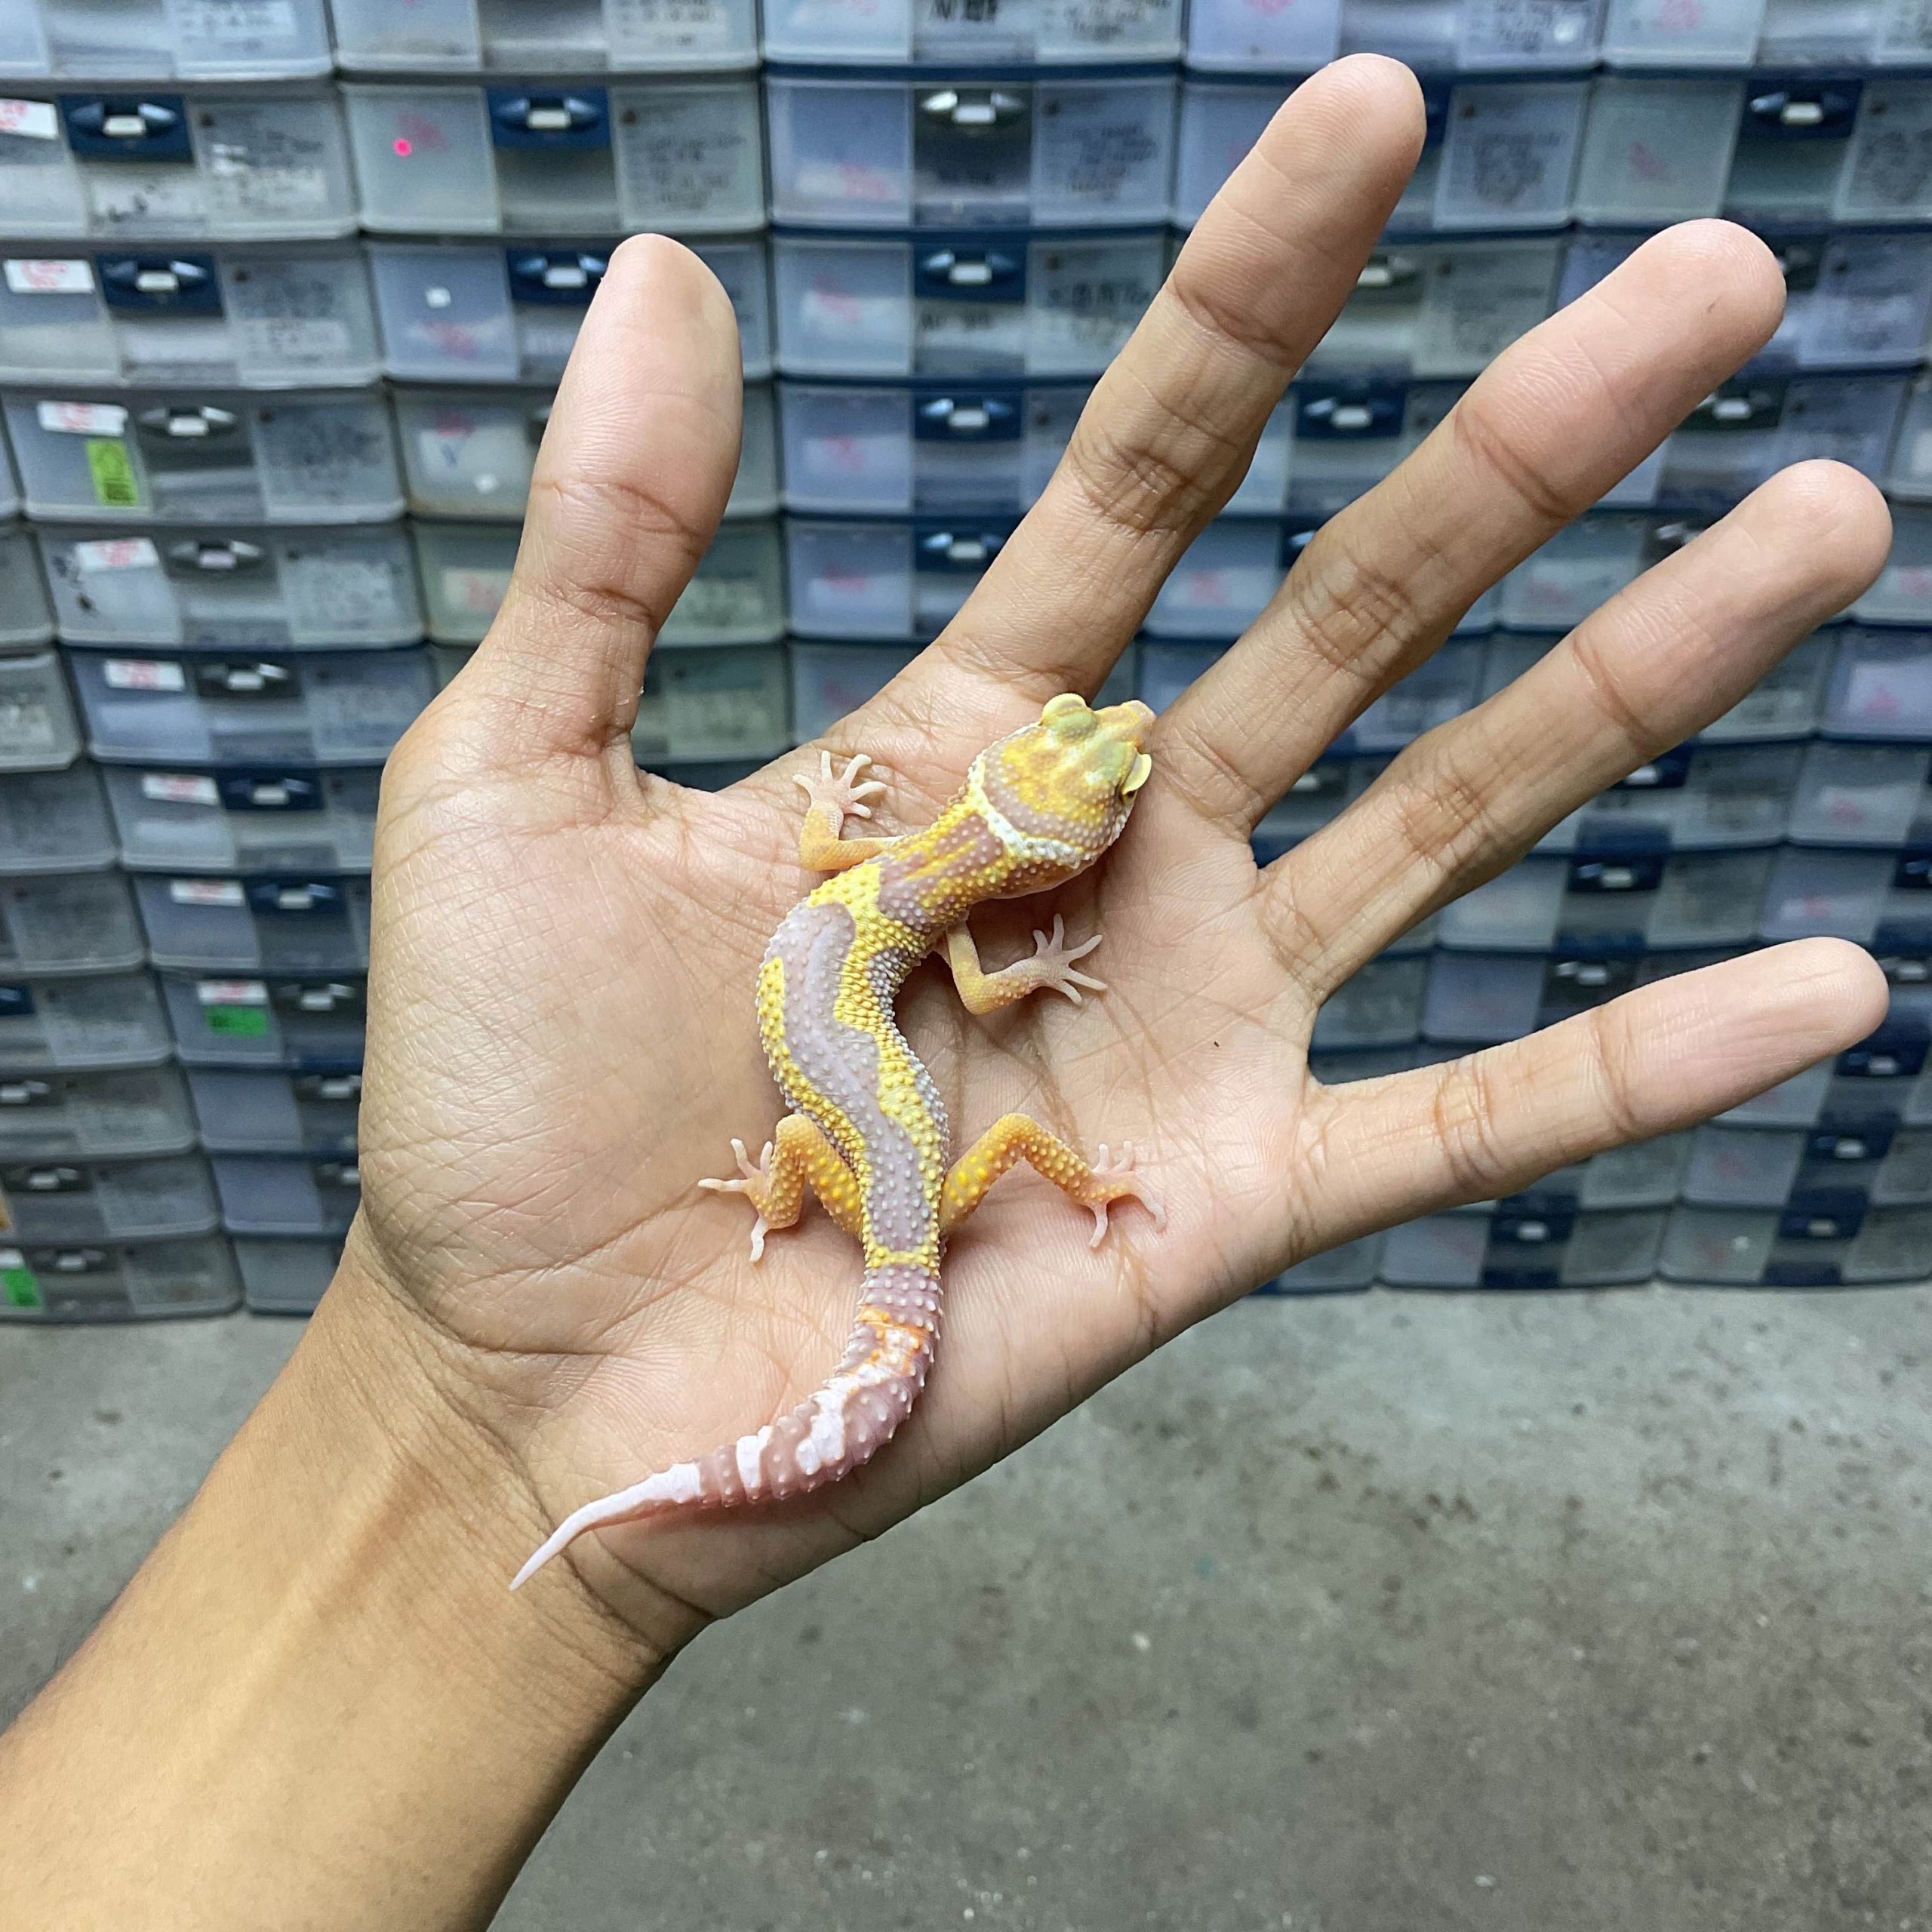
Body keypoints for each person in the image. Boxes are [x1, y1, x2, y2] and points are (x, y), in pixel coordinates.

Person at [0, 57, 1891, 1931]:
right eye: (1097, 762)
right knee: (909, 1163)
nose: (1115, 740)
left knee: (889, 1161)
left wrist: (884, 1048)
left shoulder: (894, 880)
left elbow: (909, 929)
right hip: (874, 1168)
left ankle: (818, 1254)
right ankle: (848, 1249)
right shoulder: (932, 924)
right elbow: (975, 986)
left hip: (866, 1160)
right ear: (1030, 839)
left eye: (1099, 762)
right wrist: (992, 1025)